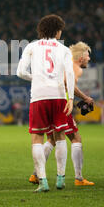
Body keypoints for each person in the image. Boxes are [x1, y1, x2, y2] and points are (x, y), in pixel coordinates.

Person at [17, 14, 75, 192]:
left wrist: (36, 78)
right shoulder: (63, 49)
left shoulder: (32, 46)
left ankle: (42, 181)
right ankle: (60, 178)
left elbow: (20, 72)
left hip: (39, 95)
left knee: (37, 138)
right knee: (60, 136)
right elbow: (70, 74)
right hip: (58, 95)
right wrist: (70, 98)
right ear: (57, 31)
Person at [28, 41, 95, 187]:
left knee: (51, 139)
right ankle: (78, 177)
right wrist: (85, 98)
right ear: (81, 57)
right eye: (88, 55)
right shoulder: (75, 67)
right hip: (61, 106)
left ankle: (35, 174)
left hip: (52, 103)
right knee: (76, 138)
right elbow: (66, 82)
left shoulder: (64, 62)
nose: (89, 58)